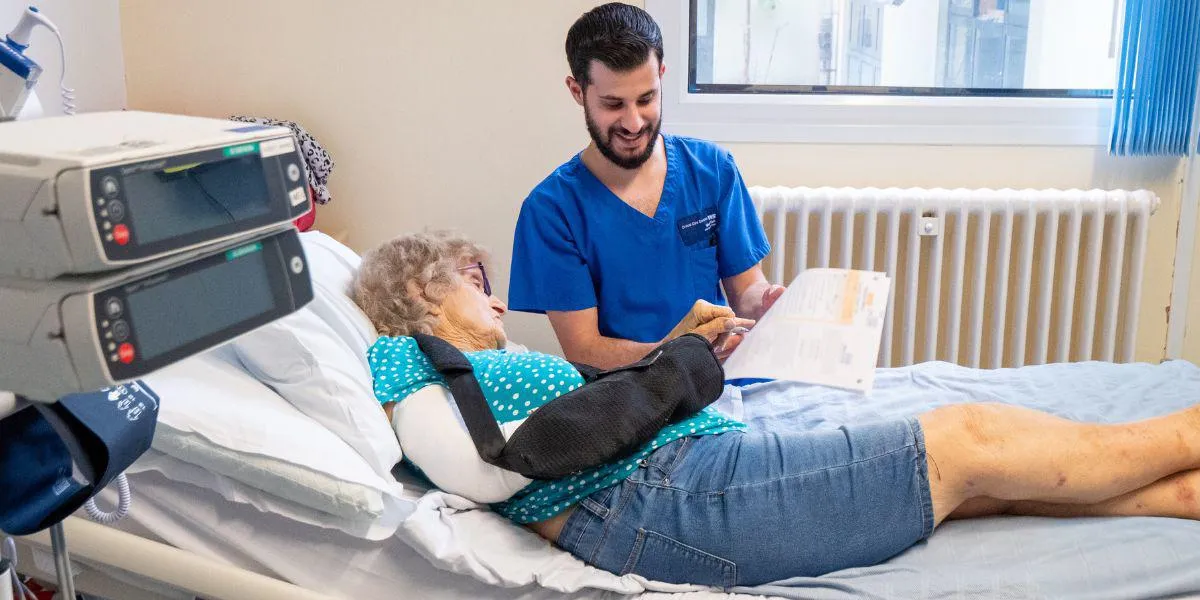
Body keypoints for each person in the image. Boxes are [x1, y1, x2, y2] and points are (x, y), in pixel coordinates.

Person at [353, 230, 1200, 589]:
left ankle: (1178, 493)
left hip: (672, 475)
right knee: (968, 437)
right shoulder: (404, 355)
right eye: (474, 285)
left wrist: (672, 370)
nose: (495, 303)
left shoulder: (480, 360)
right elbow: (488, 472)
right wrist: (665, 375)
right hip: (656, 497)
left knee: (978, 484)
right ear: (418, 293)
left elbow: (576, 423)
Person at [508, 3, 785, 370]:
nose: (634, 122)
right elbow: (584, 349)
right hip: (625, 399)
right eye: (613, 104)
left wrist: (766, 300)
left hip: (719, 381)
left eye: (646, 98)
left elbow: (745, 290)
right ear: (577, 92)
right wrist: (679, 351)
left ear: (661, 76)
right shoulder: (552, 210)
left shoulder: (712, 170)